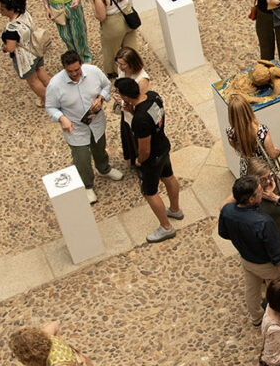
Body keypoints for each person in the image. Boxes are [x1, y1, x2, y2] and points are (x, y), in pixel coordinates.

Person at [45, 51, 124, 205]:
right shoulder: (55, 85)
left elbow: (106, 85)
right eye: (70, 71)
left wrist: (100, 98)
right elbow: (50, 107)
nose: (74, 74)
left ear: (81, 64)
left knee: (100, 148)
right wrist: (62, 118)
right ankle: (87, 185)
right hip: (75, 128)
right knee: (81, 159)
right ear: (64, 68)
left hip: (96, 122)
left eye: (77, 70)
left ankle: (103, 169)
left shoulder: (93, 71)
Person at [218, 175, 280, 326]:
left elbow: (223, 233)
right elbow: (277, 256)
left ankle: (256, 317)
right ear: (251, 200)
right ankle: (278, 319)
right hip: (266, 264)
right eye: (260, 191)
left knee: (251, 290)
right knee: (278, 292)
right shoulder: (264, 222)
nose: (263, 193)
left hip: (246, 259)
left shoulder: (227, 210)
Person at [115, 77, 183, 243]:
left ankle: (166, 227)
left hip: (152, 158)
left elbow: (145, 148)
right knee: (169, 177)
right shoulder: (153, 96)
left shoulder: (139, 120)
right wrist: (132, 110)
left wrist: (139, 160)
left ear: (125, 97)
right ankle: (175, 209)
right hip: (163, 146)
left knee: (149, 192)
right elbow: (151, 119)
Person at [238, 158, 280, 261]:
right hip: (264, 240)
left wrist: (274, 197)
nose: (268, 181)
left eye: (269, 176)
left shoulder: (277, 181)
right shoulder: (248, 191)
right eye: (263, 180)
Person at [0, 0, 51, 106]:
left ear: (10, 10)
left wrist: (4, 47)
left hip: (25, 57)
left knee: (33, 80)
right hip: (35, 48)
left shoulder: (12, 28)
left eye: (2, 9)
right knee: (40, 70)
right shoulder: (25, 13)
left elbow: (11, 48)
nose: (0, 11)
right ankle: (55, 91)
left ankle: (46, 99)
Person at [90, 0, 138, 78]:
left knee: (112, 50)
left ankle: (114, 72)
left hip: (113, 23)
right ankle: (134, 67)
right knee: (130, 46)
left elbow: (101, 16)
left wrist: (93, 9)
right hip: (128, 15)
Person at [226, 93, 280, 176]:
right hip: (264, 173)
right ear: (248, 110)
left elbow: (235, 147)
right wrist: (278, 152)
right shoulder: (262, 131)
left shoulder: (230, 132)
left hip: (248, 171)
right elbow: (273, 154)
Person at [112, 47, 150, 167]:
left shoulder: (142, 79)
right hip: (126, 113)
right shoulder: (122, 70)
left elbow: (138, 101)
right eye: (118, 64)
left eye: (123, 64)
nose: (120, 67)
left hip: (134, 114)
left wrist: (122, 101)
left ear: (132, 63)